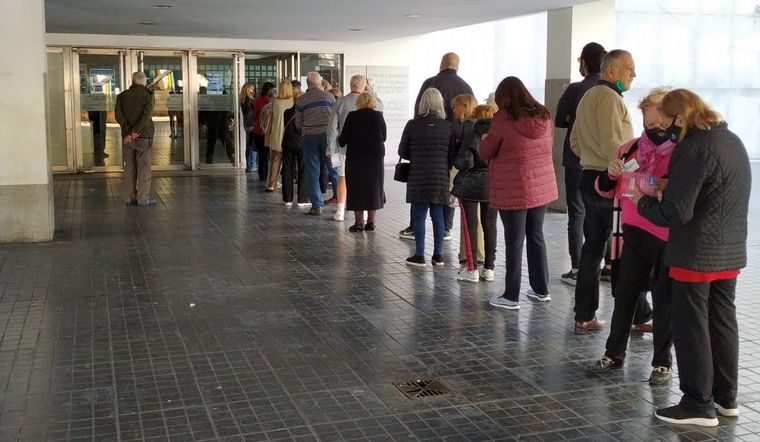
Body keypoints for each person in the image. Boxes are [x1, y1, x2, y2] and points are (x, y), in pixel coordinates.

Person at [635, 89, 751, 427]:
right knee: (721, 321)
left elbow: (677, 212)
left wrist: (644, 202)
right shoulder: (730, 140)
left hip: (695, 253)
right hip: (729, 251)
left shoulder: (693, 147)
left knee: (691, 326)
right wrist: (672, 186)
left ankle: (697, 404)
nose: (665, 130)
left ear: (680, 117)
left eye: (665, 122)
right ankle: (725, 398)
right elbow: (713, 189)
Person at [586, 88, 675, 385]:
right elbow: (604, 189)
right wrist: (611, 174)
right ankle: (613, 353)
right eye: (650, 124)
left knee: (664, 301)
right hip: (632, 235)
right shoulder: (629, 149)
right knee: (625, 296)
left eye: (663, 124)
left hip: (666, 237)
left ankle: (662, 362)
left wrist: (664, 186)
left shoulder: (681, 153)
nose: (656, 129)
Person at [571, 49, 636, 333]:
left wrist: (590, 156)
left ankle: (585, 314)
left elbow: (574, 141)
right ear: (611, 71)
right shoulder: (610, 98)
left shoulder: (588, 96)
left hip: (589, 176)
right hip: (608, 180)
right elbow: (615, 146)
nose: (633, 74)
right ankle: (639, 314)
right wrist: (629, 168)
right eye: (629, 69)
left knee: (594, 248)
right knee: (624, 247)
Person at [481, 76, 557, 310]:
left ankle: (511, 296)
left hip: (513, 187)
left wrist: (484, 140)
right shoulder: (544, 116)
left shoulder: (503, 119)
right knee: (536, 235)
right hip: (540, 187)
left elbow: (486, 151)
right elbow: (548, 146)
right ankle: (541, 289)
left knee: (514, 241)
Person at [399, 52, 474, 241]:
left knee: (420, 184)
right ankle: (447, 228)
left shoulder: (430, 83)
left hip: (426, 142)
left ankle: (415, 227)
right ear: (458, 66)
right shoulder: (465, 86)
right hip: (454, 142)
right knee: (448, 184)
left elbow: (418, 111)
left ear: (441, 64)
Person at [555, 42, 611, 285]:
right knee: (604, 211)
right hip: (603, 162)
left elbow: (559, 119)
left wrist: (574, 119)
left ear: (584, 62)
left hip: (576, 160)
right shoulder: (610, 92)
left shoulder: (576, 89)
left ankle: (577, 268)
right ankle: (609, 265)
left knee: (577, 213)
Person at [399, 88, 457, 267]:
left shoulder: (412, 125)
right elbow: (452, 155)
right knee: (438, 215)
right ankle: (438, 256)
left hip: (418, 175)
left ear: (422, 103)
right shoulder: (448, 126)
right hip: (440, 177)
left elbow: (402, 151)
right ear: (440, 104)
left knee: (419, 216)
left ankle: (419, 255)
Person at [452, 103, 498, 283]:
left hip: (470, 186)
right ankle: (489, 268)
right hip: (493, 184)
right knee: (490, 225)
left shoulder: (472, 134)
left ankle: (471, 269)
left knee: (471, 225)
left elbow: (465, 162)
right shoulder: (498, 134)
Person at [339, 92, 386, 232]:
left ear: (358, 102)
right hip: (375, 158)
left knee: (356, 187)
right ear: (373, 102)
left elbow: (342, 140)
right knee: (373, 187)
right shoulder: (378, 116)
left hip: (356, 158)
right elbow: (384, 136)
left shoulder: (352, 116)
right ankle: (371, 222)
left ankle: (359, 223)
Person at [450, 94, 485, 274]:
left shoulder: (468, 126)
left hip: (470, 178)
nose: (454, 110)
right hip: (484, 179)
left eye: (456, 106)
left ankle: (470, 256)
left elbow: (466, 158)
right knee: (483, 220)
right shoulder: (479, 124)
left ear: (464, 106)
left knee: (469, 220)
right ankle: (479, 255)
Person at [327, 75, 367, 222]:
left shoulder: (340, 102)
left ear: (350, 85)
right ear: (363, 86)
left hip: (342, 148)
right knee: (362, 179)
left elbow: (332, 128)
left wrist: (331, 149)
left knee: (342, 178)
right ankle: (364, 211)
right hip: (363, 150)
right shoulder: (368, 102)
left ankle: (340, 211)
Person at [295, 72, 335, 215]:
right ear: (320, 82)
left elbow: (298, 124)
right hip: (328, 137)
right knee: (333, 168)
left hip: (309, 138)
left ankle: (317, 205)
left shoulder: (301, 100)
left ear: (307, 83)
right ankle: (340, 200)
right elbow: (335, 119)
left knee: (312, 171)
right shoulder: (330, 97)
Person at [115, 71, 155, 206]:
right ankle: (143, 198)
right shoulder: (148, 95)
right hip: (144, 136)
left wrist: (129, 133)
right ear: (144, 82)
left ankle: (129, 197)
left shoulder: (122, 96)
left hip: (127, 138)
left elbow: (119, 116)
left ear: (132, 81)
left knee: (129, 167)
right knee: (144, 167)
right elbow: (146, 116)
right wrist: (135, 132)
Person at [281, 88, 309, 207]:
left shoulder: (286, 112)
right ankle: (302, 199)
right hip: (302, 143)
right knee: (303, 170)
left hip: (287, 143)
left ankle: (287, 199)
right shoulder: (306, 112)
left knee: (287, 169)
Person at [266, 80, 294, 192]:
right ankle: (288, 184)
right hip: (290, 135)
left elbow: (271, 118)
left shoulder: (275, 102)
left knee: (275, 160)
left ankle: (271, 184)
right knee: (289, 161)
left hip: (277, 134)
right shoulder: (294, 101)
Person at [253, 82, 275, 182]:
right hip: (270, 131)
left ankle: (262, 175)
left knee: (262, 154)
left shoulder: (258, 101)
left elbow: (254, 116)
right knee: (272, 154)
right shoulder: (273, 102)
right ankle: (271, 175)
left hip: (259, 130)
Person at [239, 83, 256, 173]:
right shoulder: (250, 100)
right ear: (248, 89)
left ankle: (248, 165)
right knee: (253, 145)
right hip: (252, 124)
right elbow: (255, 110)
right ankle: (252, 165)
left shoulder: (242, 100)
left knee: (249, 145)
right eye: (252, 89)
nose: (253, 90)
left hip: (247, 124)